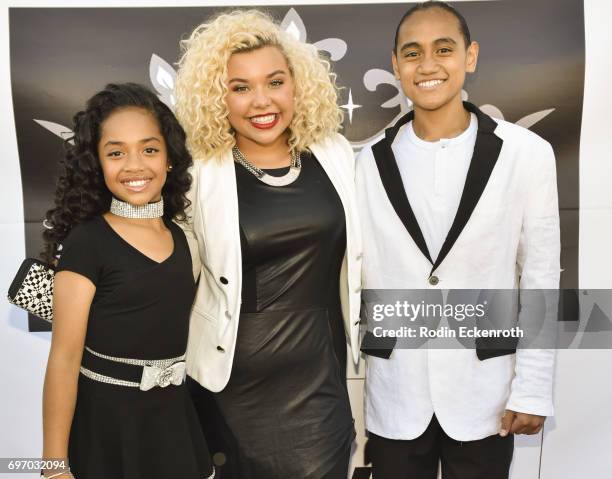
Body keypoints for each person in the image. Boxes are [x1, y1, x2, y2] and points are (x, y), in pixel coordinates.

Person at [356, 2, 560, 478]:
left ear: (470, 57)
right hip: (396, 395)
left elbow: (540, 276)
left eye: (443, 49)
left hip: (486, 393)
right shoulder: (366, 162)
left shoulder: (526, 155)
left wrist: (531, 388)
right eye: (413, 53)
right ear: (395, 64)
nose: (428, 65)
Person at [174, 9, 362, 479]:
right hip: (232, 381)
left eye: (274, 82)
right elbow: (163, 267)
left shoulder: (333, 153)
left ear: (297, 85)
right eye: (240, 87)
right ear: (219, 97)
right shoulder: (198, 172)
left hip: (319, 376)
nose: (262, 101)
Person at [40, 83, 214, 479]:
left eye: (149, 149)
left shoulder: (185, 238)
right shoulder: (88, 242)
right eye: (116, 153)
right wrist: (53, 465)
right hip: (107, 428)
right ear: (96, 163)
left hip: (174, 425)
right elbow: (64, 361)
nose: (134, 165)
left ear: (170, 158)